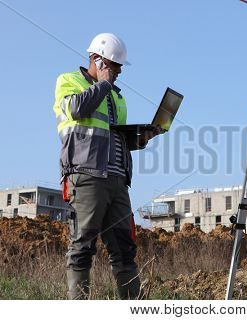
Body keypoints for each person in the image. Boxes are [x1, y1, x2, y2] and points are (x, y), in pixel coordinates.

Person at [52, 33, 161, 299]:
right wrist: (102, 85)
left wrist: (141, 138)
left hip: (117, 180)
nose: (119, 70)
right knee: (82, 246)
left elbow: (112, 136)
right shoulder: (69, 81)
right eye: (114, 64)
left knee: (125, 248)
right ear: (96, 59)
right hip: (86, 176)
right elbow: (77, 110)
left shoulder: (117, 97)